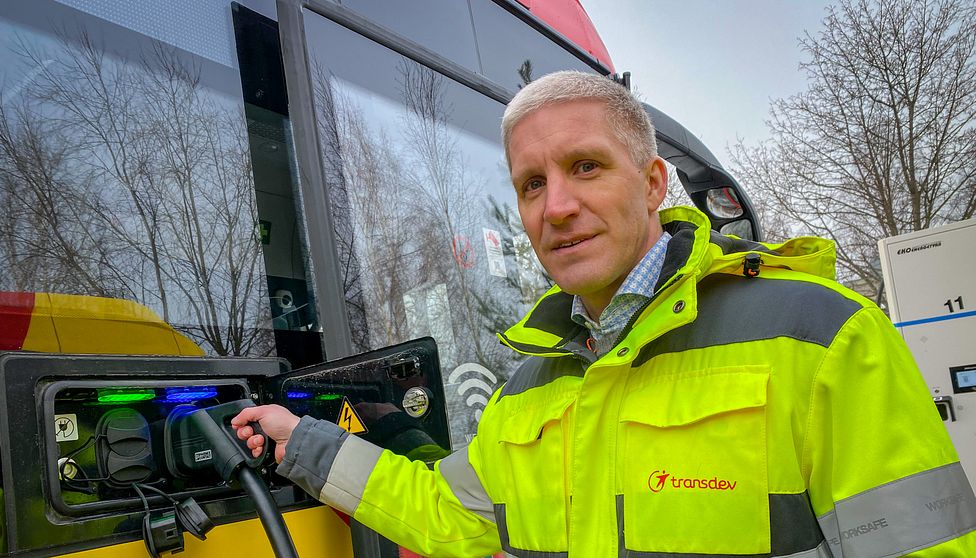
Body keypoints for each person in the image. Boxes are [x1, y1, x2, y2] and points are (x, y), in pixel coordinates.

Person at [232, 71, 976, 557]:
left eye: (585, 167)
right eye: (530, 184)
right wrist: (304, 444)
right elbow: (443, 514)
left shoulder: (820, 337)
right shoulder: (528, 389)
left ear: (653, 184)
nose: (556, 206)